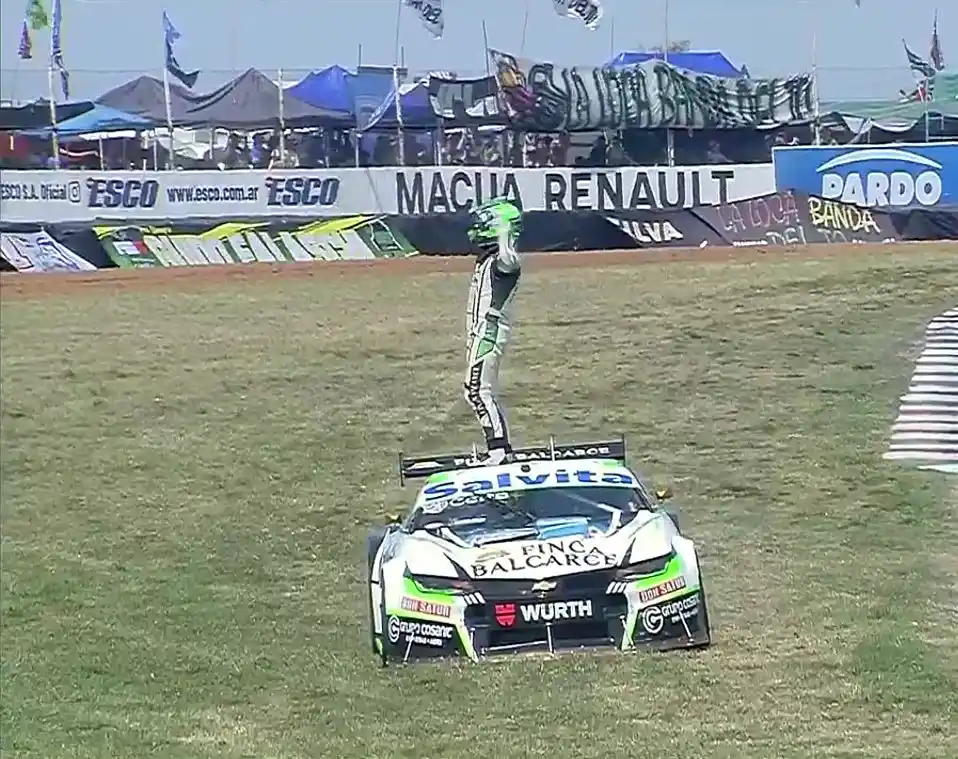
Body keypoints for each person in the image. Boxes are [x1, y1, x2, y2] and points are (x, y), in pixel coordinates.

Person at [463, 198, 524, 465]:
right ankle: (500, 448)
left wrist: (504, 239)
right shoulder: (487, 261)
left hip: (488, 333)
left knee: (476, 390)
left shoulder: (504, 262)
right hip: (481, 334)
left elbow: (509, 261)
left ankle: (499, 450)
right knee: (477, 390)